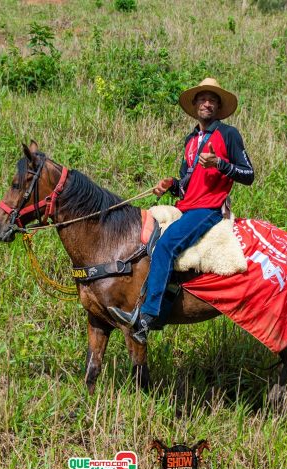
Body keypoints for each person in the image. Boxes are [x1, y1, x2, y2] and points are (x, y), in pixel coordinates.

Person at [111, 78, 254, 344]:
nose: (207, 103)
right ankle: (164, 300)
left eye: (212, 100)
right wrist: (171, 185)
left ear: (218, 107)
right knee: (147, 241)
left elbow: (249, 174)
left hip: (209, 209)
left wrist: (221, 163)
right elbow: (187, 186)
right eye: (202, 99)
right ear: (196, 105)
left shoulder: (229, 134)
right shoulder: (191, 140)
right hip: (186, 206)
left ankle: (148, 316)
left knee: (166, 246)